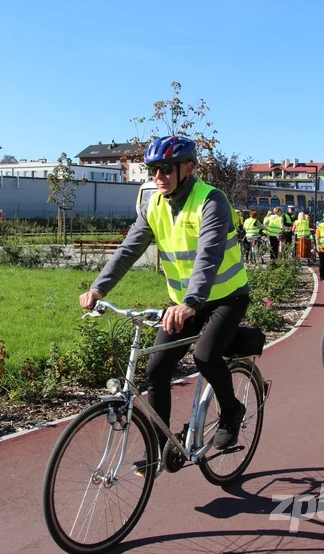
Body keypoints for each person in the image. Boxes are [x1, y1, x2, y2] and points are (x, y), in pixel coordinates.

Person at [78, 136, 250, 469]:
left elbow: (208, 254)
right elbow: (128, 250)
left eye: (166, 168)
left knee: (205, 355)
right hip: (183, 303)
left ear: (188, 168)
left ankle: (232, 412)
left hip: (226, 298)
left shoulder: (210, 201)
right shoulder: (153, 204)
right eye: (153, 169)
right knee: (156, 369)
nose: (159, 175)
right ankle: (159, 446)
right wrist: (98, 289)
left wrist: (191, 303)